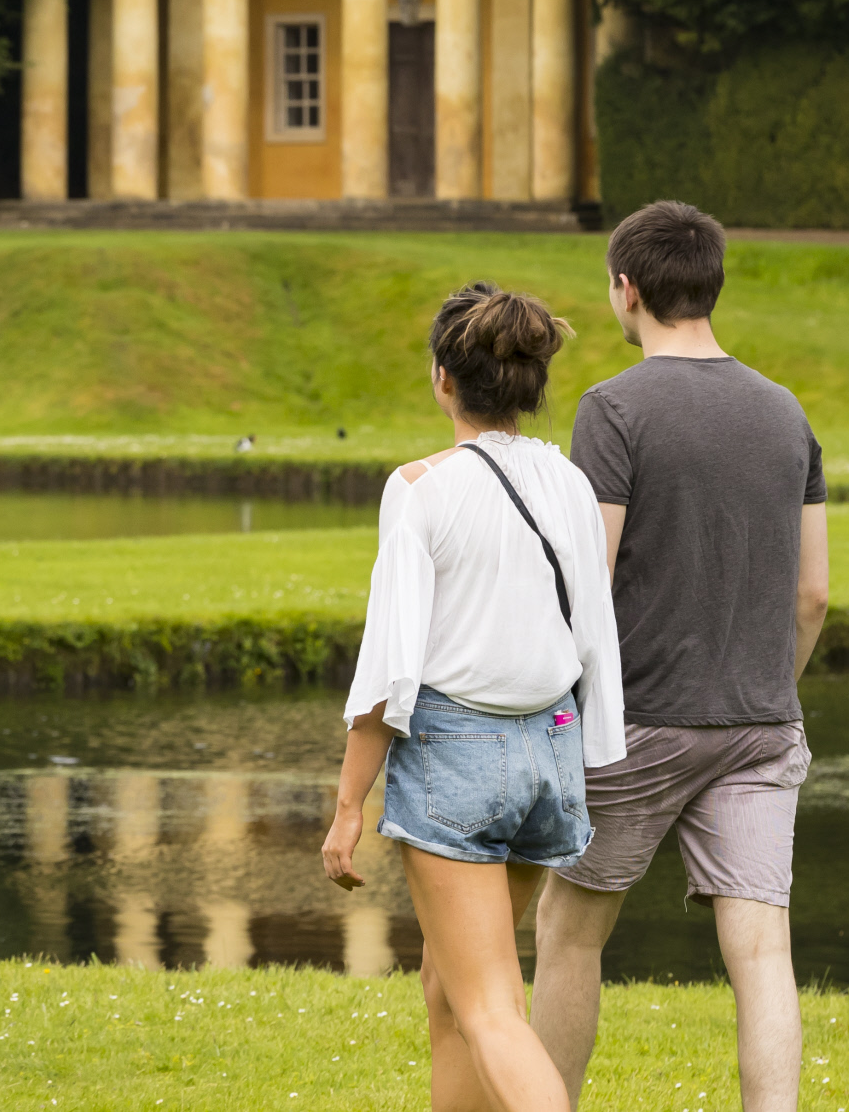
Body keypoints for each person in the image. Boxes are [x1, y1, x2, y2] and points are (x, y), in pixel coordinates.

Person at [529, 201, 831, 1112]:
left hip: (639, 720)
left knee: (571, 933)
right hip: (762, 720)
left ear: (628, 289)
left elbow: (592, 577)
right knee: (763, 948)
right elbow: (812, 595)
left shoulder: (613, 409)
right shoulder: (785, 410)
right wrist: (772, 687)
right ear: (712, 282)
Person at [323, 282, 624, 1112]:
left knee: (487, 1005)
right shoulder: (567, 479)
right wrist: (595, 761)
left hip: (458, 757)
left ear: (442, 379)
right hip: (553, 751)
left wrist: (350, 802)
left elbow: (389, 672)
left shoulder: (420, 488)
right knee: (452, 988)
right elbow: (595, 632)